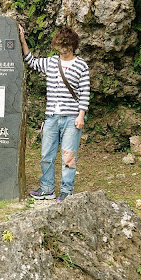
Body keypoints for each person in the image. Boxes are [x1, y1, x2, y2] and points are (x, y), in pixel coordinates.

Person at [18, 24, 91, 202]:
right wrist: (22, 39)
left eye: (66, 46)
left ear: (73, 45)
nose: (63, 49)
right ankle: (47, 189)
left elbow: (85, 92)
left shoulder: (81, 65)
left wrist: (81, 115)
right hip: (51, 116)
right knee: (46, 155)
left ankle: (66, 192)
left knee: (68, 156)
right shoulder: (51, 62)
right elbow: (31, 61)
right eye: (60, 46)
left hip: (72, 118)